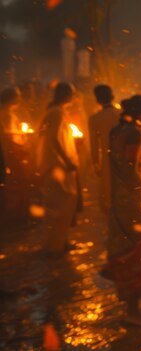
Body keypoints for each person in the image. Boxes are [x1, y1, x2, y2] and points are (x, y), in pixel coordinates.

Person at [100, 95, 141, 326]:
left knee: (126, 249)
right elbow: (130, 169)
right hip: (136, 203)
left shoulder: (115, 131)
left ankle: (132, 302)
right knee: (138, 253)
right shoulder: (134, 133)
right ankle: (132, 310)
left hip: (121, 200)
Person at [35, 83, 81, 257]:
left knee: (65, 205)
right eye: (73, 94)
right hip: (57, 166)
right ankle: (53, 246)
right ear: (67, 95)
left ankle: (60, 241)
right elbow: (54, 140)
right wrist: (67, 160)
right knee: (58, 207)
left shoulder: (57, 111)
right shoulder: (56, 112)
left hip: (58, 165)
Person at [0, 87, 32, 230]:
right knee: (11, 187)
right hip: (7, 155)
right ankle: (11, 219)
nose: (19, 100)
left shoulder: (13, 114)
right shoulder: (2, 114)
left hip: (18, 154)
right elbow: (5, 135)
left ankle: (20, 216)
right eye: (17, 97)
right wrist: (18, 133)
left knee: (22, 184)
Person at [88, 84, 120, 213]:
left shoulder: (95, 118)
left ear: (97, 100)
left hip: (107, 161)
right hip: (123, 159)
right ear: (112, 96)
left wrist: (96, 164)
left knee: (108, 198)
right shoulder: (121, 114)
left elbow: (94, 145)